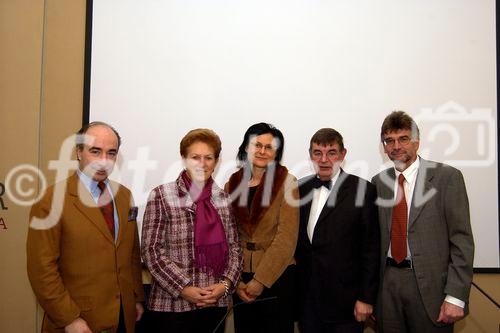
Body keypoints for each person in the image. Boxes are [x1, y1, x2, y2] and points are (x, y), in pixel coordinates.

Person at [27, 122, 144, 333]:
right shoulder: (51, 199)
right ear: (79, 152)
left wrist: (135, 297)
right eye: (95, 151)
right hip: (78, 320)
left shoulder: (124, 196)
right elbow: (42, 270)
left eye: (111, 153)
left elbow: (132, 253)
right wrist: (69, 319)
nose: (103, 161)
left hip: (123, 318)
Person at [372, 111, 474, 333]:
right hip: (387, 286)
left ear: (417, 142)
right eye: (389, 140)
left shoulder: (447, 178)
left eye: (403, 139)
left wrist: (456, 296)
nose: (396, 146)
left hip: (430, 289)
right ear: (384, 146)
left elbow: (461, 240)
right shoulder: (379, 183)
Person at [141, 128, 242, 333]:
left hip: (214, 304)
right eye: (195, 157)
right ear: (184, 158)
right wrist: (184, 288)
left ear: (216, 161)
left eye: (208, 158)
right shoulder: (161, 195)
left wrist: (225, 285)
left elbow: (235, 248)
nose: (202, 164)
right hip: (171, 306)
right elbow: (151, 251)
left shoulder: (223, 198)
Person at [295, 128, 380, 333]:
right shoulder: (299, 188)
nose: (324, 160)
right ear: (310, 155)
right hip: (308, 302)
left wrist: (366, 298)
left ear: (343, 154)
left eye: (331, 152)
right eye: (317, 153)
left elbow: (371, 248)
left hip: (347, 305)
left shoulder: (363, 189)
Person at [225, 122, 299, 333]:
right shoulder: (232, 184)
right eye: (257, 145)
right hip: (241, 279)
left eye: (269, 147)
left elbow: (286, 239)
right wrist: (236, 280)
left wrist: (260, 281)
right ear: (246, 147)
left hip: (277, 277)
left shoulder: (287, 183)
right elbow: (229, 236)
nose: (262, 151)